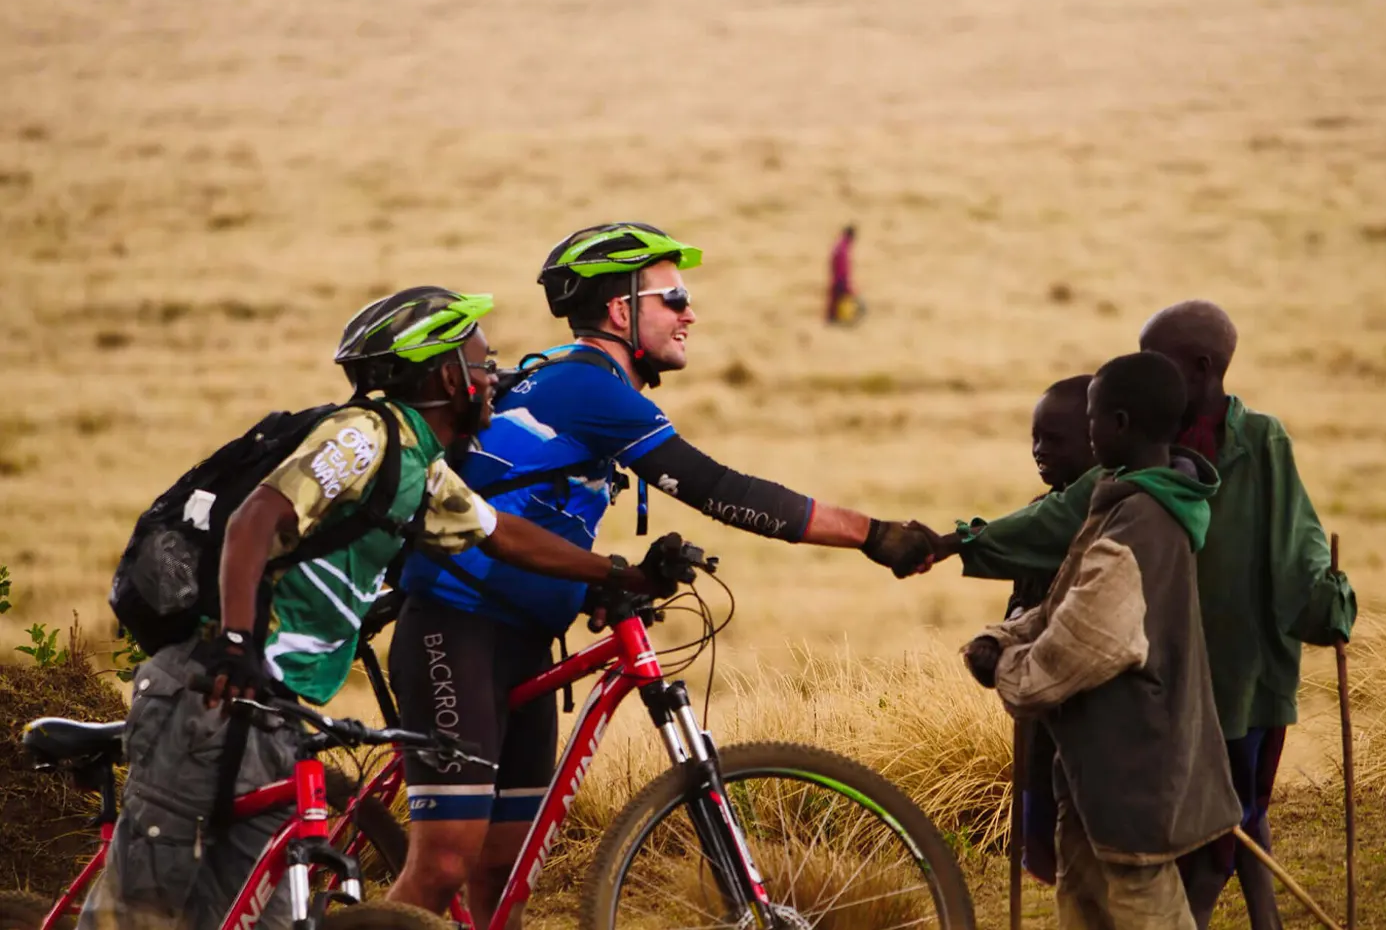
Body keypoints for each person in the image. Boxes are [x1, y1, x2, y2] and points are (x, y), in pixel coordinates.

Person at [385, 222, 936, 927]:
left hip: (517, 639)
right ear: (621, 312)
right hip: (456, 629)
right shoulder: (589, 388)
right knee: (443, 869)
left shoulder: (575, 379)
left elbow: (528, 502)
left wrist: (593, 585)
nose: (690, 314)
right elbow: (718, 488)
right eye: (674, 298)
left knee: (505, 872)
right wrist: (871, 534)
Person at [79, 287, 675, 930]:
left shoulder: (418, 465)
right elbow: (259, 515)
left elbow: (500, 534)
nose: (495, 377)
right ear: (450, 377)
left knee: (259, 917)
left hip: (269, 713)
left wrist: (624, 573)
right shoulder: (364, 436)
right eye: (483, 362)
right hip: (210, 695)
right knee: (139, 914)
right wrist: (235, 639)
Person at [931, 300, 1357, 930]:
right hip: (1150, 706)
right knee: (1184, 840)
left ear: (1203, 369)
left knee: (1201, 848)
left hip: (1214, 696)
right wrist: (962, 544)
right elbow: (1060, 531)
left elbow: (1296, 560)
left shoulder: (1217, 465)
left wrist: (1332, 605)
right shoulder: (1147, 471)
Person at [962, 351, 1240, 930]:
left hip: (1134, 770)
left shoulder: (1141, 522)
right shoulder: (1128, 502)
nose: (1086, 431)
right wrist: (1003, 634)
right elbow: (1066, 597)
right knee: (1086, 901)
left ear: (1116, 425)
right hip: (1101, 769)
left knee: (1144, 911)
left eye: (1090, 419)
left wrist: (1008, 668)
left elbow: (1085, 642)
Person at [998, 374, 1094, 886]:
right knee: (1047, 834)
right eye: (1035, 437)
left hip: (1093, 708)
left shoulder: (1111, 518)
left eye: (1054, 439)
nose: (1039, 450)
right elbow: (1022, 597)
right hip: (1040, 701)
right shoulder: (1038, 515)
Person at [826, 224, 862, 325]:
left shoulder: (838, 245)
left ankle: (832, 319)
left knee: (834, 301)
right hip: (840, 278)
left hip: (836, 278)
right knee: (846, 301)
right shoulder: (843, 248)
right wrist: (845, 282)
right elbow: (843, 267)